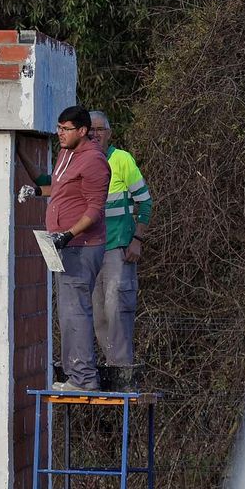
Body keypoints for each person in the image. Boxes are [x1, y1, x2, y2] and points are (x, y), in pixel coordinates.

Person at [17, 105, 110, 391]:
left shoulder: (94, 161)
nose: (60, 133)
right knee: (68, 311)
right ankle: (76, 376)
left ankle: (84, 379)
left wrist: (67, 235)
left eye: (66, 129)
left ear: (82, 131)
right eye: (59, 128)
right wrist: (34, 187)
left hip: (80, 247)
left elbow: (95, 209)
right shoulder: (66, 154)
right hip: (63, 244)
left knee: (76, 310)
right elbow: (55, 187)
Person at [89, 111, 152, 389]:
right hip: (90, 251)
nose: (94, 134)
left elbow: (146, 203)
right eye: (89, 130)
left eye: (100, 129)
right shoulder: (82, 162)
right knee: (97, 313)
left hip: (118, 248)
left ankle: (123, 371)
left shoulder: (122, 160)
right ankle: (110, 366)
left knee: (117, 307)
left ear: (110, 132)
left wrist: (138, 239)